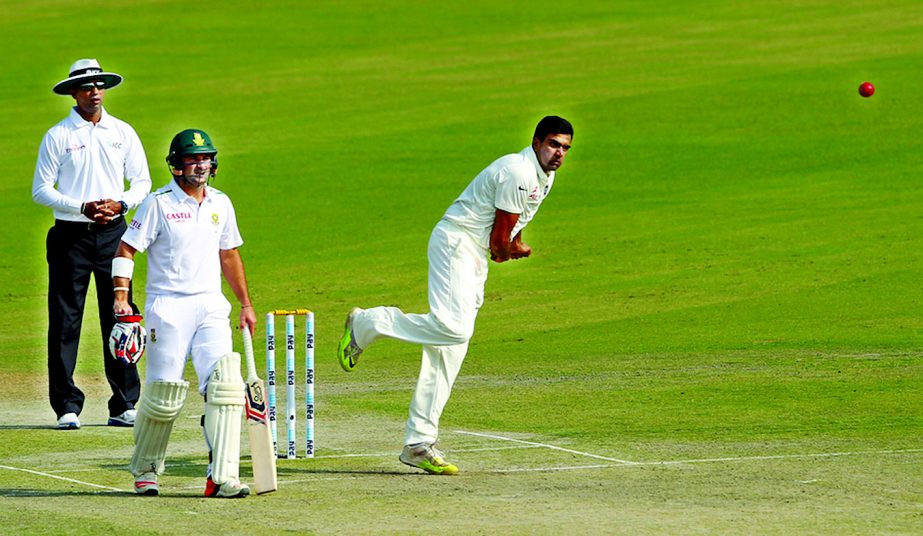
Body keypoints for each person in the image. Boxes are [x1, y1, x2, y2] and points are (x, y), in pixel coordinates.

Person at [337, 116, 574, 475]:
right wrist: (513, 251)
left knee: (449, 349)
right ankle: (367, 322)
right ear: (537, 141)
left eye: (566, 148)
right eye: (554, 144)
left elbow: (508, 233)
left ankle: (418, 443)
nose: (559, 154)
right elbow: (500, 244)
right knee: (454, 329)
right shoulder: (518, 171)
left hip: (473, 254)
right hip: (456, 243)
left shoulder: (545, 177)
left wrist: (514, 245)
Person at [111, 129, 256, 498]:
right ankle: (146, 470)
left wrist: (246, 304)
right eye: (193, 159)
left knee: (225, 388)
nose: (201, 165)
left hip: (210, 305)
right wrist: (121, 297)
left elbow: (230, 255)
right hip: (168, 307)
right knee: (163, 394)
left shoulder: (221, 203)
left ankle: (221, 476)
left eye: (206, 158)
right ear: (176, 165)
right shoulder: (158, 203)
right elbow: (126, 250)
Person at [32, 59, 151, 430]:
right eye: (86, 86)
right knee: (66, 320)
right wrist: (81, 207)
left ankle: (124, 402)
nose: (94, 91)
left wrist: (121, 203)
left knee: (120, 314)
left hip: (115, 235)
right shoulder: (58, 135)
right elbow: (41, 190)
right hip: (71, 237)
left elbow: (142, 181)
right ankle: (67, 405)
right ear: (73, 92)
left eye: (99, 85)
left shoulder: (122, 132)